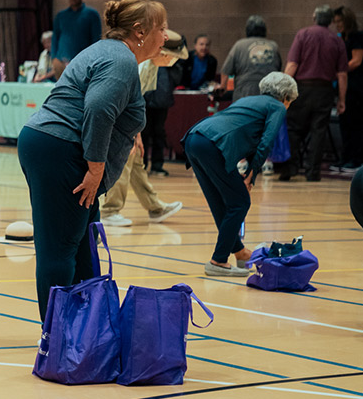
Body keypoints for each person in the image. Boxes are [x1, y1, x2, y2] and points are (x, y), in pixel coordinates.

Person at [19, 0, 167, 320]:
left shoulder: (112, 53)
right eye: (162, 28)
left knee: (84, 248)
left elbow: (112, 108)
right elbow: (98, 108)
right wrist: (96, 168)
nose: (166, 36)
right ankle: (56, 338)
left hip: (55, 146)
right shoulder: (121, 59)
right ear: (140, 31)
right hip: (61, 150)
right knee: (60, 250)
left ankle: (88, 329)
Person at [185, 72, 297, 276]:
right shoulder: (277, 106)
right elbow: (267, 141)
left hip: (195, 138)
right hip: (211, 145)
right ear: (286, 97)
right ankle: (218, 261)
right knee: (240, 202)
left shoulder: (250, 100)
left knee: (221, 203)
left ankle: (239, 251)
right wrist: (251, 176)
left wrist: (248, 170)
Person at [100, 31, 188, 227]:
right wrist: (129, 134)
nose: (174, 63)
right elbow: (122, 101)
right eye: (174, 58)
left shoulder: (153, 68)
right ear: (164, 54)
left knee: (137, 159)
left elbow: (137, 102)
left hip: (127, 117)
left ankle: (155, 207)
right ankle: (109, 210)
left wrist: (137, 134)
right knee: (125, 158)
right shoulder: (141, 65)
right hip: (114, 116)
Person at [278, 5, 349, 182]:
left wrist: (283, 89)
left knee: (293, 128)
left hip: (302, 88)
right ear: (330, 21)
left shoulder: (303, 34)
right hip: (324, 90)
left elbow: (292, 64)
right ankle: (312, 172)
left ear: (314, 18)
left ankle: (290, 168)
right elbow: (342, 74)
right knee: (319, 131)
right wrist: (342, 99)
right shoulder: (337, 40)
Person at [142, 33, 185, 177]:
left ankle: (157, 165)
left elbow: (178, 77)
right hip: (145, 101)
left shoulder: (171, 63)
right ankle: (141, 165)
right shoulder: (146, 59)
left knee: (159, 132)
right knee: (143, 132)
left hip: (162, 99)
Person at [220, 15, 283, 102]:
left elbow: (226, 70)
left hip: (244, 93)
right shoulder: (273, 46)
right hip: (269, 95)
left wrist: (223, 87)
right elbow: (279, 70)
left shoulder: (239, 45)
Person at [332, 7, 363, 172]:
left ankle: (355, 158)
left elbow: (357, 61)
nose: (337, 25)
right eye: (335, 22)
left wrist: (339, 69)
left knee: (355, 123)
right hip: (344, 85)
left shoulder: (357, 37)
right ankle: (345, 157)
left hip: (356, 86)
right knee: (345, 123)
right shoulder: (340, 39)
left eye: (340, 21)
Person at [51, 0, 102, 72]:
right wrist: (54, 58)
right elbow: (55, 37)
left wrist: (94, 60)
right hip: (61, 61)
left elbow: (96, 39)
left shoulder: (91, 14)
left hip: (82, 62)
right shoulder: (61, 15)